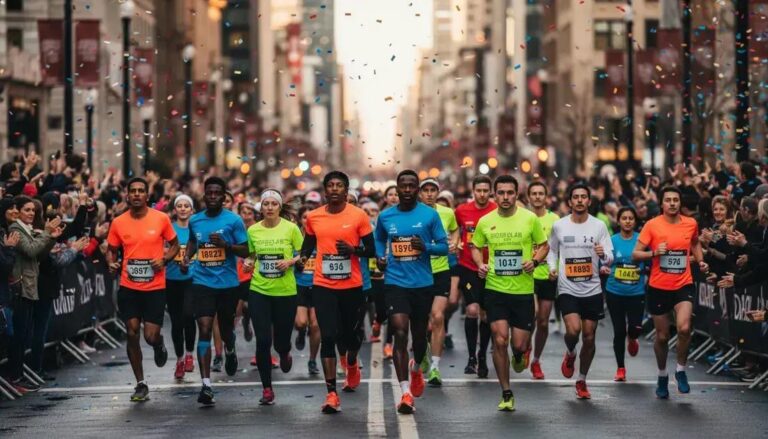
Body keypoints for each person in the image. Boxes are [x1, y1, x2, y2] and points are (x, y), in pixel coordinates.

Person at [299, 171, 375, 414]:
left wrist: (354, 250)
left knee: (351, 335)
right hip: (323, 285)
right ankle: (331, 393)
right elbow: (308, 245)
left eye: (339, 185)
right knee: (328, 335)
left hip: (352, 286)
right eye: (330, 185)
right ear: (325, 190)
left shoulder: (358, 215)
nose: (334, 189)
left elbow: (371, 250)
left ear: (345, 190)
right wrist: (301, 258)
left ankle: (351, 362)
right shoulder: (314, 216)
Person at [471, 175, 549, 411]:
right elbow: (476, 246)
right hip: (495, 289)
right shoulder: (486, 221)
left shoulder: (530, 219)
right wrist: (480, 264)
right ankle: (506, 392)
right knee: (500, 340)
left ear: (517, 194)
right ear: (495, 195)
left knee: (518, 344)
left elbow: (544, 245)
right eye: (501, 193)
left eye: (510, 193)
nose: (505, 197)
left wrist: (534, 262)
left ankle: (520, 353)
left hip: (523, 291)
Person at [374, 170, 448, 414]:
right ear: (396, 188)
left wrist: (425, 247)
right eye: (402, 186)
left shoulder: (430, 215)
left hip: (422, 284)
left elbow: (444, 247)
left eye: (411, 186)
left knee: (418, 338)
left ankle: (417, 368)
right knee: (399, 331)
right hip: (395, 283)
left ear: (417, 189)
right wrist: (380, 257)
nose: (406, 190)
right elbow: (378, 240)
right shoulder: (386, 216)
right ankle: (405, 391)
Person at [106, 178, 179, 401]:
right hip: (129, 286)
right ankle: (140, 383)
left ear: (147, 196)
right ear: (127, 196)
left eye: (141, 191)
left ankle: (159, 344)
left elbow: (175, 245)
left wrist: (165, 259)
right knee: (131, 330)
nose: (137, 194)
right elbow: (111, 250)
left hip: (155, 287)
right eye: (133, 191)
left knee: (150, 335)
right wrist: (111, 262)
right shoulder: (118, 222)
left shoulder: (161, 219)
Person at [633, 186, 708, 399]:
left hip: (683, 283)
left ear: (680, 202)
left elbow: (695, 243)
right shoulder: (652, 225)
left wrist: (700, 261)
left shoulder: (690, 223)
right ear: (662, 203)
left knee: (684, 328)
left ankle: (681, 370)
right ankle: (662, 374)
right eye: (668, 200)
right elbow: (635, 254)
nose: (672, 203)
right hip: (658, 286)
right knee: (663, 336)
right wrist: (655, 252)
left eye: (676, 199)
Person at [182, 177, 249, 405]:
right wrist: (186, 257)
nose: (212, 196)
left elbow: (246, 250)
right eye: (209, 193)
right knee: (205, 328)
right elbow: (193, 242)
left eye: (217, 193)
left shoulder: (234, 220)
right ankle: (206, 385)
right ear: (204, 195)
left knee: (227, 328)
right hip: (202, 283)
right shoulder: (195, 220)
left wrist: (226, 246)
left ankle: (230, 349)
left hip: (228, 284)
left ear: (223, 196)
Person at [547, 183, 613, 399]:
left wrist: (604, 255)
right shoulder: (559, 226)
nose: (580, 200)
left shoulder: (599, 226)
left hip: (592, 288)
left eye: (584, 197)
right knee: (573, 331)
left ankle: (582, 379)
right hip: (568, 287)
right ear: (570, 201)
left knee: (590, 337)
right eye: (576, 197)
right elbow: (551, 250)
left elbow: (611, 257)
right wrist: (553, 268)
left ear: (589, 201)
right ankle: (570, 352)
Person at [246, 189, 303, 405]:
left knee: (280, 342)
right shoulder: (253, 230)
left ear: (279, 207)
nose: (269, 207)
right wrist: (249, 262)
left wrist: (290, 262)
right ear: (261, 207)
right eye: (266, 204)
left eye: (273, 204)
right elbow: (252, 254)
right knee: (263, 340)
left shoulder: (291, 229)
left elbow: (302, 254)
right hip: (259, 290)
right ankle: (267, 388)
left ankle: (285, 351)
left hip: (285, 292)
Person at [7, 196, 63, 393]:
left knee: (23, 336)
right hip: (20, 288)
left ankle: (20, 375)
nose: (31, 213)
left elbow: (40, 254)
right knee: (19, 336)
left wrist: (51, 238)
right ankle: (16, 376)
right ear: (19, 211)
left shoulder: (27, 230)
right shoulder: (15, 229)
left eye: (33, 210)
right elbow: (31, 251)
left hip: (30, 286)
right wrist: (46, 234)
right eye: (27, 210)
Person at [417, 178, 459, 386]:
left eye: (433, 190)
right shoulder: (412, 213)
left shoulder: (447, 213)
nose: (430, 194)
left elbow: (455, 229)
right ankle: (422, 347)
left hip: (441, 270)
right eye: (426, 190)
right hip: (418, 271)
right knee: (421, 319)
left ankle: (435, 367)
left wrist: (454, 243)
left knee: (438, 316)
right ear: (420, 193)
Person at [454, 175, 497, 377]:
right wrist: (455, 243)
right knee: (472, 310)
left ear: (490, 192)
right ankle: (471, 357)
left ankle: (482, 355)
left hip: (492, 269)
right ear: (473, 191)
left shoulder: (497, 210)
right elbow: (454, 231)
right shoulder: (462, 211)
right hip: (468, 267)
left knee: (486, 315)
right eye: (478, 190)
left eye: (485, 190)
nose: (481, 194)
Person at [601, 207, 646, 382]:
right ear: (618, 221)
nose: (627, 221)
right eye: (624, 218)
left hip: (637, 292)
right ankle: (621, 368)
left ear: (635, 221)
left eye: (630, 218)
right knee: (619, 331)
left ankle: (633, 338)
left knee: (635, 328)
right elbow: (603, 260)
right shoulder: (611, 241)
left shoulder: (641, 240)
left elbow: (649, 259)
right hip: (615, 291)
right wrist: (603, 267)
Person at [527, 181, 560, 380]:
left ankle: (536, 360)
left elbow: (556, 248)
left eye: (541, 193)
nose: (538, 197)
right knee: (532, 315)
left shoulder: (555, 219)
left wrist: (555, 269)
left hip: (548, 275)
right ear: (528, 196)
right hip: (527, 274)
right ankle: (524, 347)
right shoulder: (524, 217)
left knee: (544, 321)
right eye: (534, 193)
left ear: (546, 196)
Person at [166, 194, 197, 380]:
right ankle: (179, 359)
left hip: (192, 279)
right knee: (176, 322)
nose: (183, 209)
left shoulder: (196, 229)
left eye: (187, 205)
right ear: (175, 210)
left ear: (192, 210)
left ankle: (189, 355)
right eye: (180, 206)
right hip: (172, 279)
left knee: (188, 315)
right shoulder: (169, 229)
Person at [295, 205, 321, 375]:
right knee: (301, 322)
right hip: (299, 286)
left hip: (318, 285)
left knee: (316, 325)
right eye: (304, 217)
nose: (308, 220)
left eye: (310, 217)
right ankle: (300, 332)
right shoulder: (294, 238)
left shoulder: (321, 238)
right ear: (300, 220)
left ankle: (312, 360)